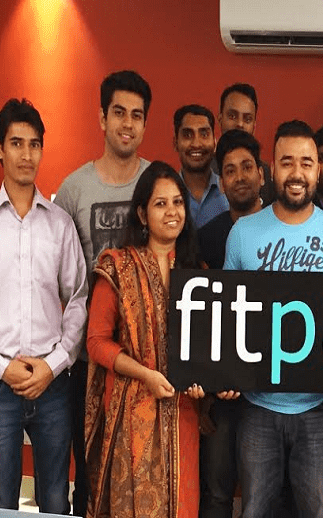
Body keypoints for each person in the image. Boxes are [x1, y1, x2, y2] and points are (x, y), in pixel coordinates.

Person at [0, 98, 88, 513]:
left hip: (52, 383)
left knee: (55, 500)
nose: (27, 154)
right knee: (0, 503)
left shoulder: (59, 224)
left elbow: (78, 298)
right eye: (16, 143)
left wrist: (54, 364)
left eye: (34, 144)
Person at [224, 120, 323, 518]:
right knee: (254, 510)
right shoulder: (243, 233)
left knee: (315, 512)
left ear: (317, 170)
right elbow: (228, 318)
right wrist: (223, 375)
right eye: (287, 162)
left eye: (306, 163)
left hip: (318, 407)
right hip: (258, 405)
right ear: (272, 168)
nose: (297, 173)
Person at [53, 69, 153, 516]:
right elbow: (59, 273)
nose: (127, 124)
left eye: (137, 115)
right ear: (102, 118)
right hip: (88, 358)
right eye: (119, 113)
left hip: (147, 357)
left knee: (141, 474)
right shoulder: (74, 189)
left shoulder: (156, 183)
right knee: (91, 473)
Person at [84, 161, 207, 518]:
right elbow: (97, 342)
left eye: (178, 202)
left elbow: (206, 351)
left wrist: (205, 383)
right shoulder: (117, 267)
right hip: (132, 412)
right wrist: (145, 375)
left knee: (183, 505)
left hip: (183, 412)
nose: (172, 212)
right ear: (142, 213)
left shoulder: (198, 274)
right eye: (160, 204)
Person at [197, 129, 263, 518]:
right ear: (220, 182)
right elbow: (198, 317)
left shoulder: (284, 228)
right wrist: (206, 393)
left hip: (270, 391)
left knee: (266, 496)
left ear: (262, 174)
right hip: (220, 389)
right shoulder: (206, 238)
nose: (239, 177)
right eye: (230, 170)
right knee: (218, 491)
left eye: (247, 167)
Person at [217, 82, 274, 206]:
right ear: (220, 119)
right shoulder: (206, 171)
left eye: (247, 119)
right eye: (232, 116)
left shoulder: (267, 174)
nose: (240, 124)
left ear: (254, 126)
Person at [175, 104, 228, 228]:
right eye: (187, 135)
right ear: (175, 143)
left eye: (204, 134)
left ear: (214, 142)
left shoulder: (229, 193)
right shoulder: (164, 195)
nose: (196, 144)